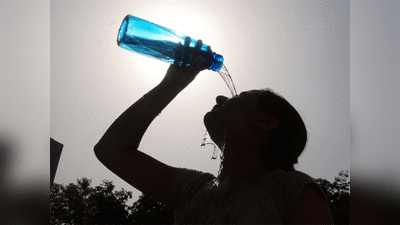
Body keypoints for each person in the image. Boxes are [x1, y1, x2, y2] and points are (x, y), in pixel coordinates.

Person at [94, 52, 334, 224]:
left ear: (266, 121)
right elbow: (110, 150)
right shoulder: (193, 189)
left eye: (240, 96)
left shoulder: (290, 189)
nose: (221, 97)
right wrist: (170, 85)